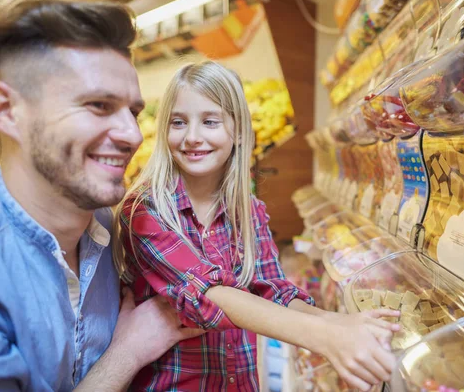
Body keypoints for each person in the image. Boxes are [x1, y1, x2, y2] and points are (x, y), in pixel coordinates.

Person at [115, 61, 402, 392]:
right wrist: (327, 337)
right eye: (178, 122)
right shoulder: (146, 211)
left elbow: (272, 291)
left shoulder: (248, 210)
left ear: (238, 131)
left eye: (210, 121)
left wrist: (337, 322)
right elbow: (209, 295)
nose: (193, 137)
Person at [0, 0, 203, 392]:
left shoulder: (112, 227)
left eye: (134, 111)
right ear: (7, 110)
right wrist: (127, 353)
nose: (133, 135)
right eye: (99, 105)